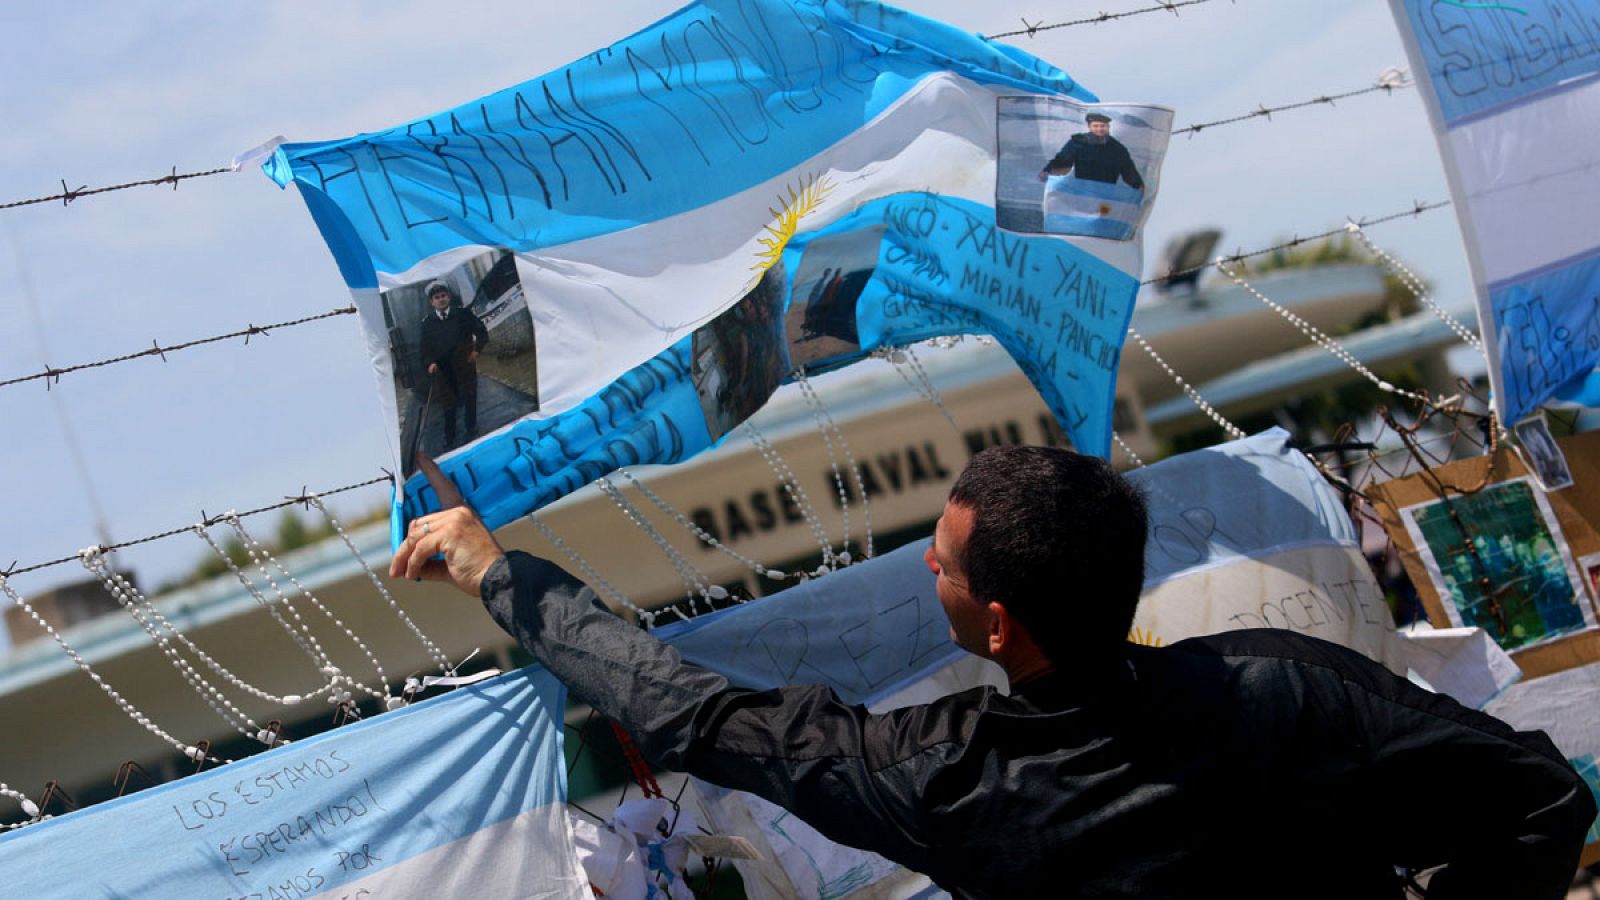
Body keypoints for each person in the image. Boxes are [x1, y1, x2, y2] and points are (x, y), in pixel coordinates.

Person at [391, 447, 1595, 899]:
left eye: (948, 562)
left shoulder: (949, 779)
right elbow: (1546, 798)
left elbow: (692, 715)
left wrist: (505, 575)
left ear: (1002, 623)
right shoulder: (1281, 689)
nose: (926, 564)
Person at [417, 280, 489, 448]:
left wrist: (476, 350)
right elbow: (425, 349)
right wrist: (430, 363)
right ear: (432, 302)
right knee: (449, 406)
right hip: (444, 372)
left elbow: (481, 332)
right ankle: (450, 439)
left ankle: (472, 429)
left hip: (465, 365)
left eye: (443, 296)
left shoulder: (463, 314)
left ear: (448, 297)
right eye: (437, 297)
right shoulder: (428, 323)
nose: (441, 299)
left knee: (470, 398)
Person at [1038, 112, 1145, 190]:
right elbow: (1063, 160)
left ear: (1108, 127)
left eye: (1102, 126)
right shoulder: (1078, 142)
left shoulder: (1117, 148)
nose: (1099, 129)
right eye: (1095, 126)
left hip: (1107, 195)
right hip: (1082, 192)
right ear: (1089, 127)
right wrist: (1048, 171)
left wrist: (1138, 185)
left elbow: (1128, 169)